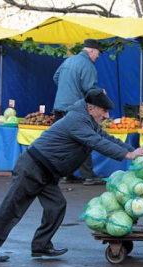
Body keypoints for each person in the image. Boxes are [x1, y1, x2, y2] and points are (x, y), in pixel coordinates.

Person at [0, 88, 143, 262]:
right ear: (91, 108)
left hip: (46, 171)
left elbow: (107, 138)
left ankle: (41, 245)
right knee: (11, 210)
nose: (106, 116)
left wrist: (133, 150)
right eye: (104, 111)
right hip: (32, 168)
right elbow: (97, 142)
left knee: (56, 206)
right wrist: (127, 155)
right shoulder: (77, 120)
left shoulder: (87, 120)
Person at [53, 38, 103, 186]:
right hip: (75, 108)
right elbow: (90, 89)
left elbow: (56, 77)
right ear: (92, 51)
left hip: (59, 106)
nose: (97, 58)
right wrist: (101, 93)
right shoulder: (87, 65)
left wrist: (67, 88)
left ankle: (64, 175)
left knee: (64, 142)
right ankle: (88, 176)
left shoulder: (68, 61)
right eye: (97, 55)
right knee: (84, 140)